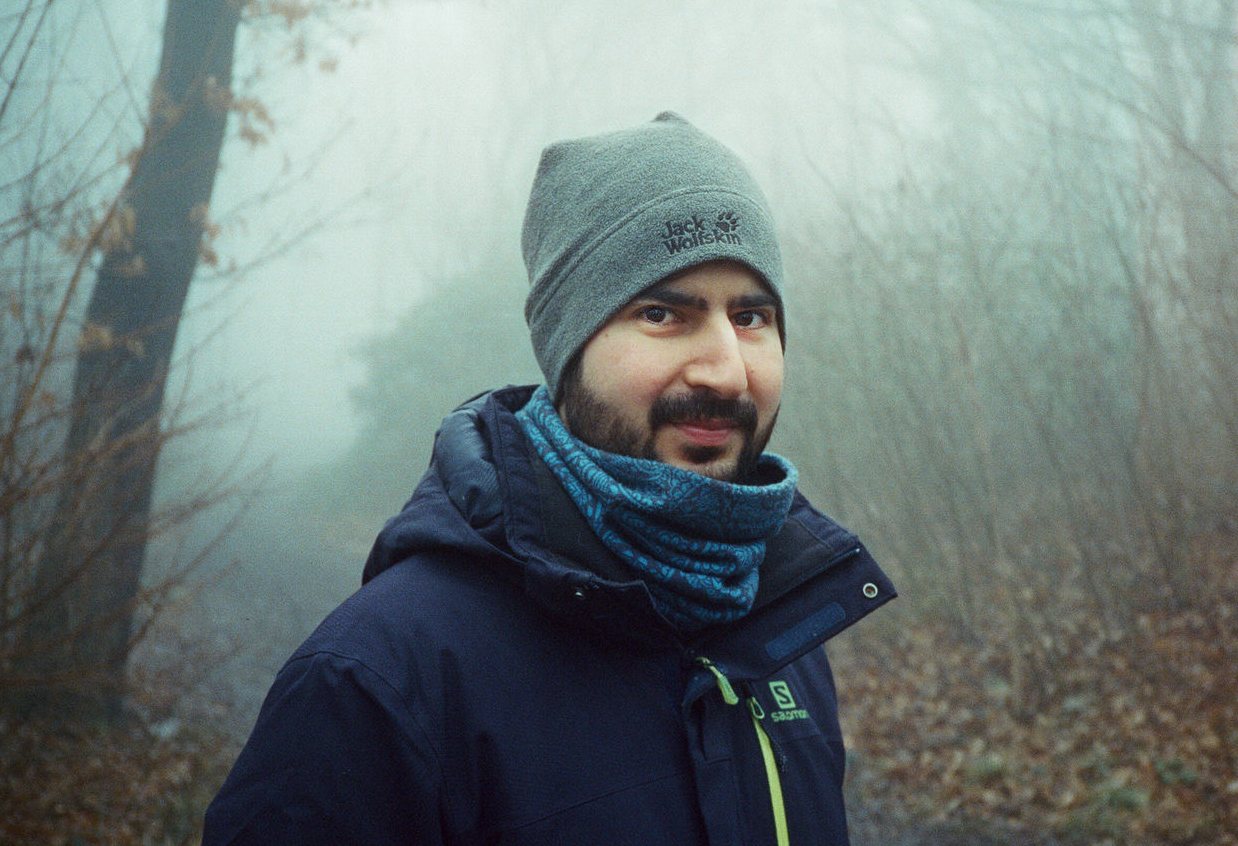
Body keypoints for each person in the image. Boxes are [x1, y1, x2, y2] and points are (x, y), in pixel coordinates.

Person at [203, 112, 894, 846]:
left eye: (752, 317)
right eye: (662, 313)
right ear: (567, 349)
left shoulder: (781, 629)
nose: (726, 369)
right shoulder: (377, 681)